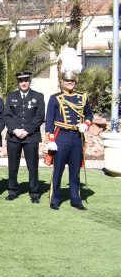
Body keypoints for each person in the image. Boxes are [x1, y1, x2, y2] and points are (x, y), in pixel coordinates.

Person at [45, 70, 93, 210]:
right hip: (62, 137)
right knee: (58, 170)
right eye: (67, 81)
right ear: (62, 82)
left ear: (75, 82)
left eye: (72, 81)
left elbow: (89, 115)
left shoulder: (82, 97)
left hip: (77, 137)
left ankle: (75, 199)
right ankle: (55, 199)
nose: (70, 83)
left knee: (75, 171)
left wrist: (86, 124)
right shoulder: (55, 98)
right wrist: (51, 140)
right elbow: (49, 122)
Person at [2, 71, 45, 203]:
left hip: (31, 136)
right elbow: (7, 115)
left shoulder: (38, 96)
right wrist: (15, 130)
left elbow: (40, 116)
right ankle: (12, 191)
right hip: (13, 136)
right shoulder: (11, 96)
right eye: (21, 81)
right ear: (18, 82)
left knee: (32, 166)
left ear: (29, 81)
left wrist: (26, 130)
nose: (24, 83)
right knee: (13, 165)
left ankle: (34, 193)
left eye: (26, 80)